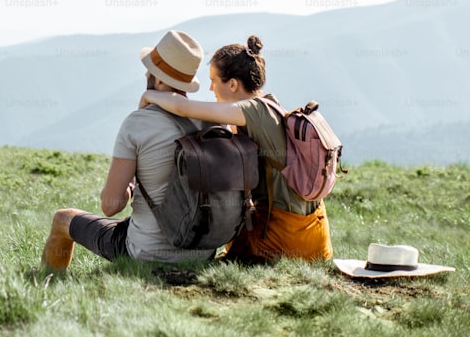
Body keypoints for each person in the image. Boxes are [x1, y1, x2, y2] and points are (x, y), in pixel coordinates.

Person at [140, 35, 333, 264]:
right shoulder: (270, 104)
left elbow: (183, 108)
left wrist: (149, 95)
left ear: (232, 84)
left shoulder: (252, 110)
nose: (211, 88)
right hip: (314, 236)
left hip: (286, 242)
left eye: (214, 80)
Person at [41, 30, 216, 271]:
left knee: (63, 218)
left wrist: (132, 185)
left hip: (146, 253)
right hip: (203, 253)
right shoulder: (214, 122)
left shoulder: (137, 124)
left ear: (161, 80)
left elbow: (110, 206)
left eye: (150, 69)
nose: (146, 73)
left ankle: (48, 282)